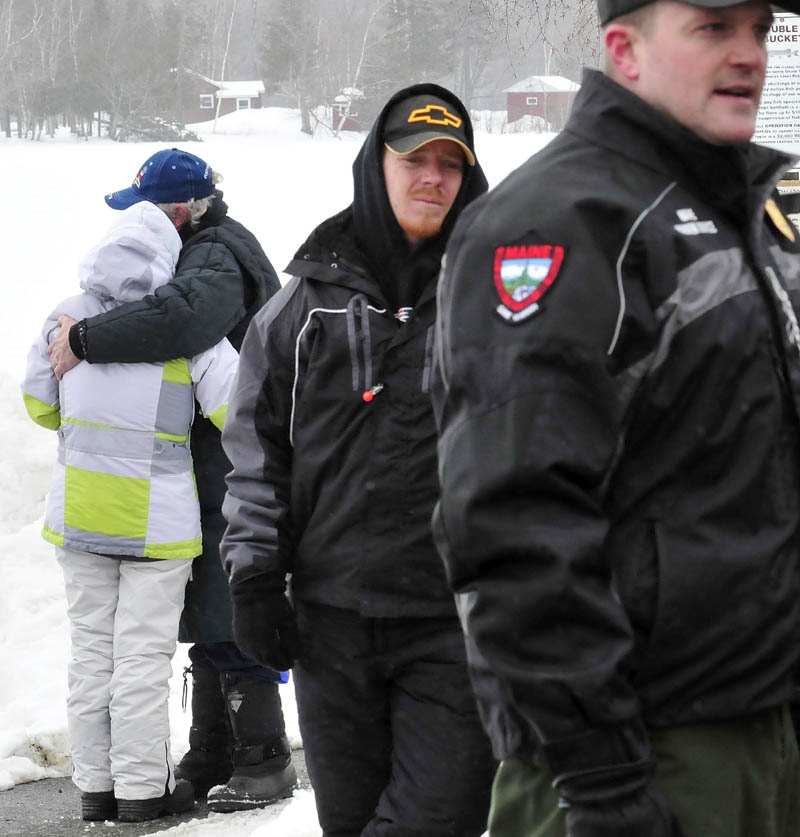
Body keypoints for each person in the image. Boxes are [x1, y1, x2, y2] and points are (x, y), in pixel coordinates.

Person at [432, 1, 800, 836]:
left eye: (758, 29)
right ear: (624, 50)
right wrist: (601, 776)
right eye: (713, 28)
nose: (749, 54)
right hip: (640, 752)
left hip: (766, 721)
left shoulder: (761, 204)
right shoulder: (557, 220)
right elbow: (512, 518)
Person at [220, 83, 496, 836]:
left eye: (450, 163)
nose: (432, 177)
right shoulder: (307, 304)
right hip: (332, 619)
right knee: (348, 821)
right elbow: (258, 449)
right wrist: (255, 578)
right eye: (414, 159)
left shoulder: (501, 293)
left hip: (456, 620)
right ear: (376, 165)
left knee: (440, 817)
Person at [45, 147, 295, 813]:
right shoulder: (205, 248)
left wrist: (86, 340)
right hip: (209, 460)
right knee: (211, 604)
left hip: (233, 461)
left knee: (232, 600)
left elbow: (182, 321)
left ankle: (262, 757)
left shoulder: (214, 254)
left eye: (145, 212)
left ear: (177, 212)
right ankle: (213, 750)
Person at [21, 200, 239, 823]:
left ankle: (95, 789)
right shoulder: (182, 330)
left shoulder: (65, 316)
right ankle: (143, 791)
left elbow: (39, 403)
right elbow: (238, 408)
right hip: (157, 526)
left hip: (80, 516)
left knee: (90, 655)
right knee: (142, 659)